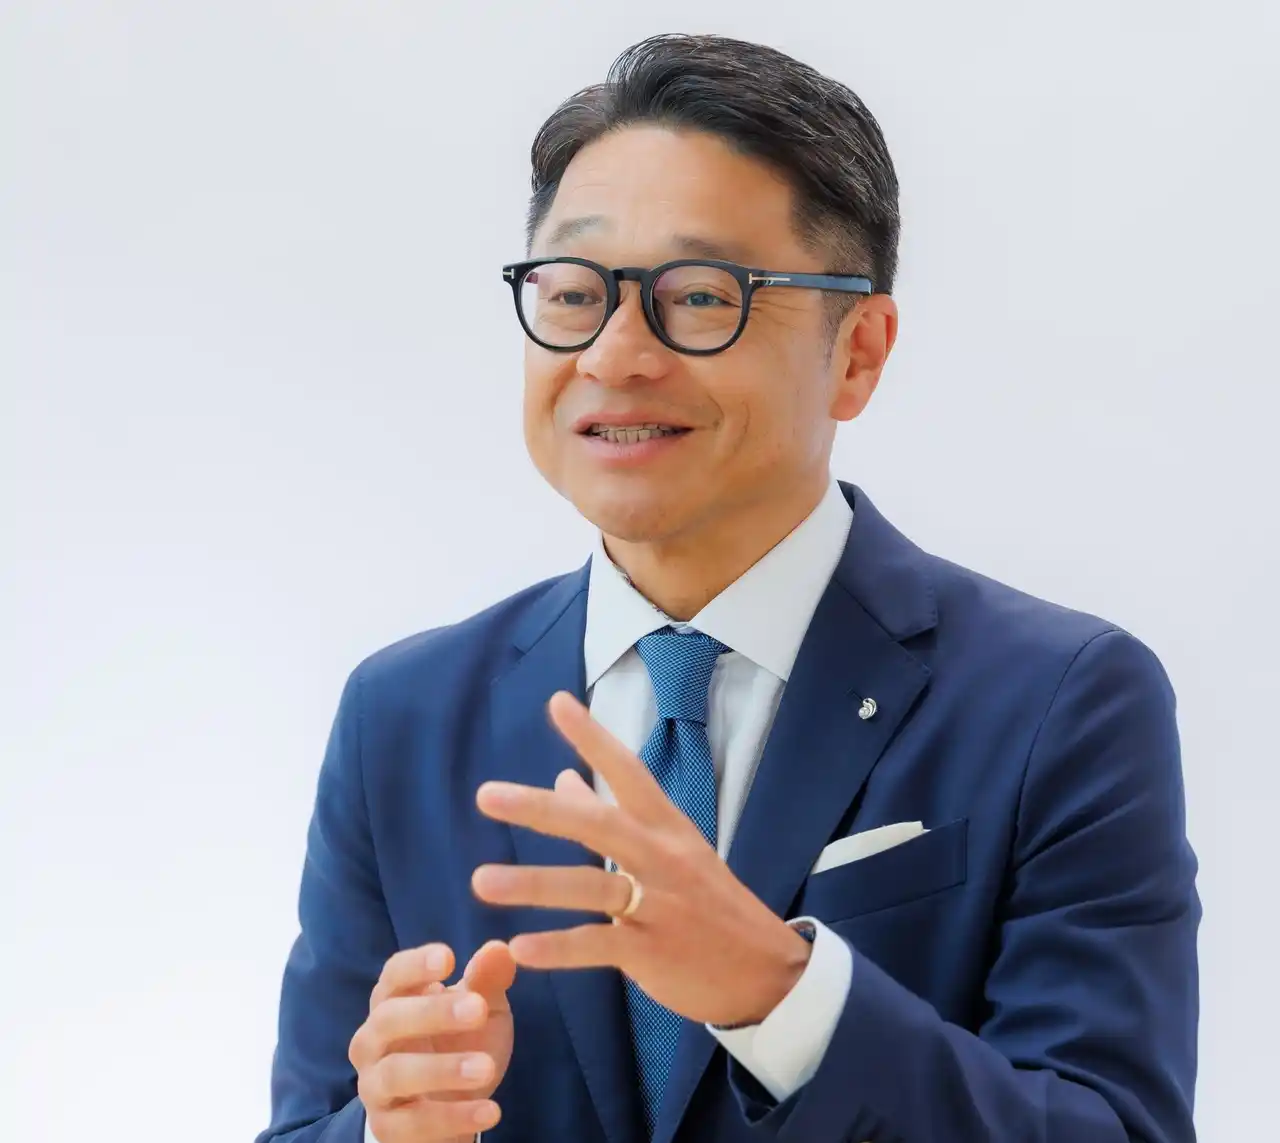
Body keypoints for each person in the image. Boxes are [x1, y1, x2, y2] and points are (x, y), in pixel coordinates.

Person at [256, 32, 1199, 1143]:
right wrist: (387, 1131)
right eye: (575, 292)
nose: (614, 355)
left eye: (700, 297)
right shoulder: (404, 715)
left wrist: (781, 995)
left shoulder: (1059, 700)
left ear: (858, 351)